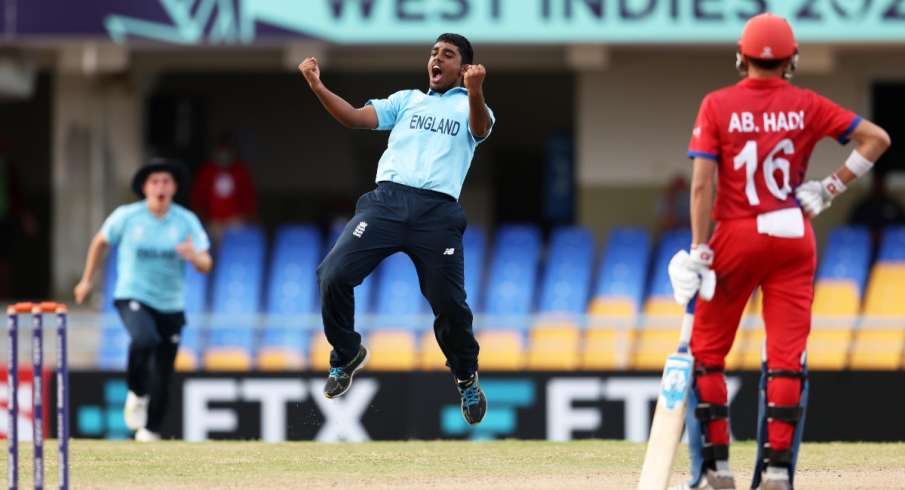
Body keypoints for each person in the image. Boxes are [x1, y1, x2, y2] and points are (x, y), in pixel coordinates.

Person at [668, 13, 890, 490]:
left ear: (740, 56)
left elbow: (702, 183)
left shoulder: (718, 104)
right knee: (787, 357)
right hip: (793, 232)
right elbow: (877, 139)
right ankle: (774, 471)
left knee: (708, 354)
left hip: (736, 233)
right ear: (791, 61)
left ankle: (714, 468)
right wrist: (830, 187)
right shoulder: (807, 103)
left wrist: (698, 247)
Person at [298, 33, 494, 425]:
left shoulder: (473, 104)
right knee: (332, 275)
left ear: (463, 67)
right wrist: (317, 85)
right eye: (433, 53)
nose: (437, 59)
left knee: (450, 304)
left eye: (448, 55)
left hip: (437, 213)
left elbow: (480, 128)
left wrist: (476, 90)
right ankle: (347, 353)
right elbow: (354, 117)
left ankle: (465, 376)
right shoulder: (407, 100)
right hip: (386, 203)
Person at [74, 159, 213, 441]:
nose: (160, 187)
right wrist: (87, 279)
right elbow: (100, 242)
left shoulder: (185, 220)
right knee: (144, 339)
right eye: (154, 182)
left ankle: (150, 432)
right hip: (133, 295)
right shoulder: (127, 216)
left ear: (174, 187)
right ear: (145, 187)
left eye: (166, 182)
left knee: (164, 371)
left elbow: (206, 263)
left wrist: (194, 256)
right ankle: (136, 392)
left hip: (171, 304)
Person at [189, 136, 257, 242]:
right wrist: (206, 220)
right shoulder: (207, 172)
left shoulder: (241, 172)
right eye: (221, 150)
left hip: (236, 222)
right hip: (213, 223)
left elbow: (249, 200)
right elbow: (198, 200)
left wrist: (242, 218)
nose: (224, 154)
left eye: (227, 150)